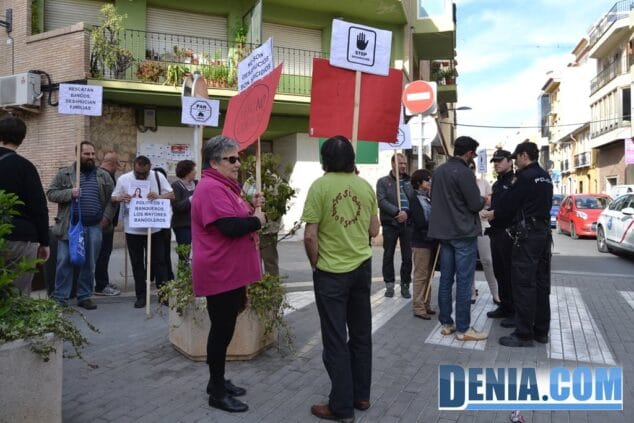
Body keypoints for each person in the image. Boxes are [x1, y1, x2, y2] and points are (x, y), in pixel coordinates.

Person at [303, 135, 379, 423]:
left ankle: (341, 407)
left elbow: (310, 235)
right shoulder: (364, 186)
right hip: (361, 269)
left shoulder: (319, 187)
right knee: (361, 335)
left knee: (335, 340)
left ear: (324, 159)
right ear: (352, 159)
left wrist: (315, 265)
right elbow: (374, 230)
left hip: (330, 272)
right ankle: (362, 395)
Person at [191, 136, 265, 413]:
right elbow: (229, 227)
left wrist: (253, 205)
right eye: (232, 159)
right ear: (214, 162)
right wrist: (256, 220)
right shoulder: (211, 187)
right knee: (221, 331)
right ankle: (216, 391)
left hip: (230, 270)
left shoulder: (225, 186)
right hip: (219, 270)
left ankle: (217, 381)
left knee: (225, 327)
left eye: (238, 158)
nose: (238, 163)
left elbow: (238, 214)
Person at [483, 142, 553, 347]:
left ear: (524, 156)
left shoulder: (524, 177)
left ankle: (523, 333)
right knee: (541, 283)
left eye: (516, 157)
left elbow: (510, 204)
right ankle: (541, 331)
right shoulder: (545, 176)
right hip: (542, 233)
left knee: (523, 283)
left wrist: (492, 213)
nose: (515, 161)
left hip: (527, 236)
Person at [428, 136, 488, 341]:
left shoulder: (438, 171)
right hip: (463, 232)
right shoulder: (464, 172)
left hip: (444, 233)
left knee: (445, 279)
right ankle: (463, 328)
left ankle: (446, 323)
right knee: (464, 282)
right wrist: (484, 199)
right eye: (474, 153)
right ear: (469, 153)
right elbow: (474, 203)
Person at [48, 141, 115, 309]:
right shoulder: (65, 174)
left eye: (93, 154)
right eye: (87, 154)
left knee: (89, 263)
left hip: (94, 227)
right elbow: (51, 193)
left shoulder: (103, 176)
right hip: (69, 228)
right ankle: (60, 297)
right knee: (65, 261)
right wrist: (69, 193)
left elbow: (111, 199)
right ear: (77, 155)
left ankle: (84, 296)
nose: (91, 157)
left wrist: (105, 218)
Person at [111, 156, 174, 308]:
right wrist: (121, 197)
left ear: (149, 168)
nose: (141, 176)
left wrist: (158, 196)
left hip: (154, 227)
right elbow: (113, 197)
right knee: (137, 263)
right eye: (138, 173)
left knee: (159, 262)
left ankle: (163, 294)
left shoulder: (157, 176)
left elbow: (171, 194)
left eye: (144, 173)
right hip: (133, 229)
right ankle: (141, 296)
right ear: (134, 167)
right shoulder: (124, 179)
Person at [0, 116, 50, 296]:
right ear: (22, 138)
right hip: (20, 238)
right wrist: (45, 242)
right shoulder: (25, 167)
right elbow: (39, 207)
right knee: (18, 294)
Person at [485, 149, 516, 323]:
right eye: (494, 161)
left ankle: (513, 310)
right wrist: (488, 211)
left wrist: (495, 213)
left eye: (500, 160)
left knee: (510, 272)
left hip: (508, 233)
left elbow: (513, 208)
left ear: (510, 161)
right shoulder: (497, 184)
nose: (496, 164)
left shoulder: (515, 182)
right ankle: (504, 305)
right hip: (496, 232)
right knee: (499, 271)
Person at [376, 153, 413, 298]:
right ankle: (389, 284)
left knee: (407, 257)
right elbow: (381, 201)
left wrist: (407, 214)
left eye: (404, 163)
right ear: (392, 164)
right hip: (390, 224)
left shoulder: (410, 182)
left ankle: (405, 284)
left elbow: (415, 201)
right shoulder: (383, 182)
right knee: (388, 255)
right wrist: (397, 212)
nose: (403, 166)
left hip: (408, 224)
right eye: (400, 163)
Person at [467, 160, 499, 305]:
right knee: (469, 261)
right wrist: (481, 202)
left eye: (472, 168)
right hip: (467, 226)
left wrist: (480, 204)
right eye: (468, 168)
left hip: (483, 225)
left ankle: (495, 293)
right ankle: (471, 291)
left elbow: (490, 201)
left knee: (488, 261)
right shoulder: (462, 184)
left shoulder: (483, 183)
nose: (471, 170)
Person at [407, 169, 438, 320]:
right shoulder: (415, 198)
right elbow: (420, 221)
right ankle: (418, 307)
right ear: (419, 183)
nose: (430, 182)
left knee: (429, 274)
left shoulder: (428, 198)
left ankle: (426, 304)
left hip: (430, 240)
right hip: (420, 241)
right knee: (420, 275)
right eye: (427, 180)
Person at [94, 151, 121, 296]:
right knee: (103, 254)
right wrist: (106, 219)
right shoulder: (105, 176)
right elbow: (110, 199)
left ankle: (102, 281)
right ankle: (101, 285)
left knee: (103, 254)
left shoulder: (100, 174)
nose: (118, 167)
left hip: (105, 222)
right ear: (112, 164)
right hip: (104, 223)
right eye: (117, 164)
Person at [171, 159, 196, 264]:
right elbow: (177, 206)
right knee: (185, 252)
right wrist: (192, 198)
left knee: (196, 252)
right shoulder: (176, 186)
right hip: (182, 225)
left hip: (196, 224)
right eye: (193, 170)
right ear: (187, 172)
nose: (195, 172)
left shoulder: (197, 183)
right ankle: (183, 276)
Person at [154, 167, 174, 282]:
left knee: (165, 252)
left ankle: (168, 275)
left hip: (165, 226)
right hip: (155, 226)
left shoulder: (167, 191)